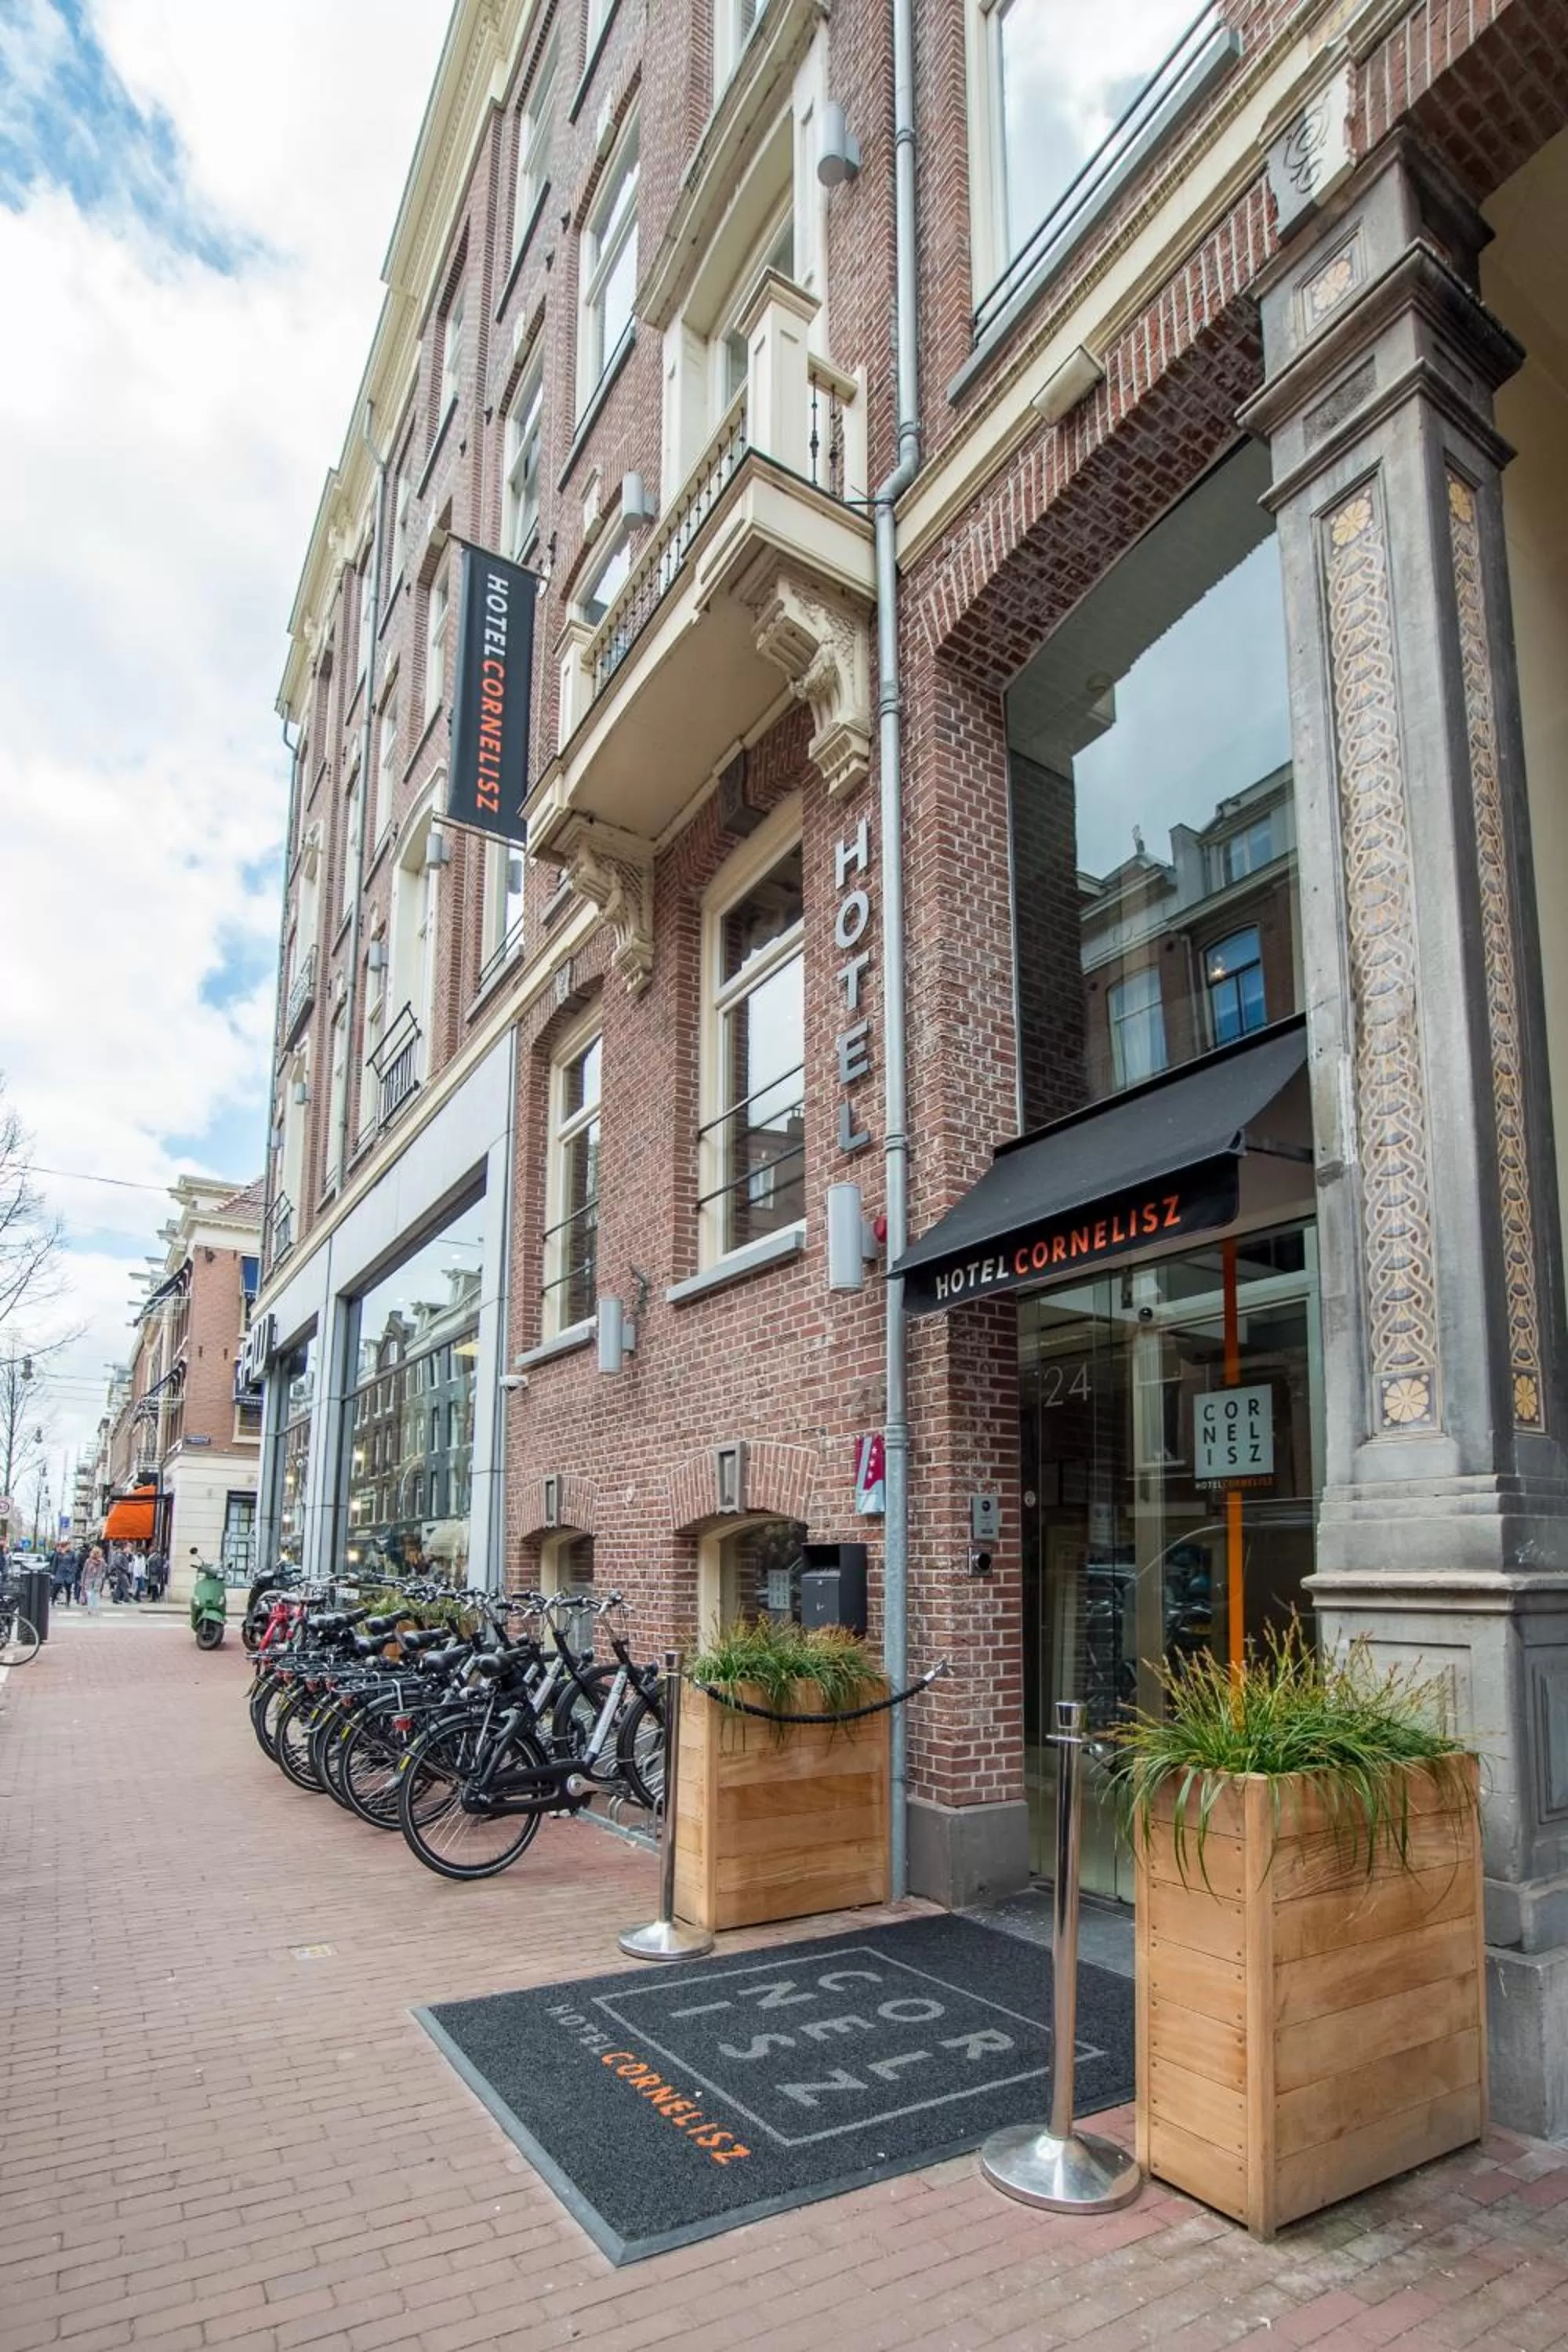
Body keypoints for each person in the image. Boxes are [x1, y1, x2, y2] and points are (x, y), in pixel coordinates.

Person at [82, 1545, 107, 1614]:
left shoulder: (102, 1561)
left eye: (96, 1553)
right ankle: (90, 1609)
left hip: (97, 1580)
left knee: (96, 1595)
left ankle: (95, 1608)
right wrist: (83, 1581)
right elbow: (84, 1571)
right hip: (89, 1579)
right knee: (89, 1594)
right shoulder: (88, 1561)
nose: (94, 1554)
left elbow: (104, 1570)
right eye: (94, 1553)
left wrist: (102, 1576)